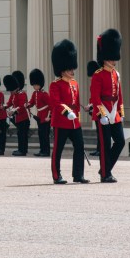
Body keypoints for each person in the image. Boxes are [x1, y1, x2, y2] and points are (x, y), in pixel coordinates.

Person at [49, 39, 89, 184]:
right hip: (61, 121)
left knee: (80, 146)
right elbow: (56, 102)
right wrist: (67, 112)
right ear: (63, 69)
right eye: (70, 69)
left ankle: (78, 175)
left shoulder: (74, 84)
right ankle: (56, 176)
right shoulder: (55, 84)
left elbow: (75, 102)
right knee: (57, 150)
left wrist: (84, 109)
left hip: (74, 122)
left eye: (73, 68)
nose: (73, 71)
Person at [90, 29, 126, 183]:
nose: (113, 61)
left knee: (120, 141)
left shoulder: (116, 74)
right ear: (104, 58)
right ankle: (105, 174)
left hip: (114, 113)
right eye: (111, 58)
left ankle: (105, 168)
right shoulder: (98, 75)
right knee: (104, 145)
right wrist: (102, 114)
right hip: (102, 113)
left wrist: (121, 111)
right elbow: (95, 97)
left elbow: (119, 95)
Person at [27, 68, 51, 157]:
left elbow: (51, 106)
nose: (34, 86)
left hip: (45, 117)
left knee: (45, 135)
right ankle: (42, 150)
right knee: (41, 135)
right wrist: (28, 105)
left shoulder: (44, 94)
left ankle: (46, 151)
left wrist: (49, 116)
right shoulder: (35, 93)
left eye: (35, 84)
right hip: (39, 116)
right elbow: (32, 102)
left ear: (39, 84)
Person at [10, 71, 31, 156]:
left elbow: (22, 106)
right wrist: (5, 107)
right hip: (18, 118)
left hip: (24, 117)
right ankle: (20, 149)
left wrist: (14, 111)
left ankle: (23, 150)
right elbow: (9, 102)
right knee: (20, 134)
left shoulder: (22, 94)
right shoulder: (14, 94)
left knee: (23, 135)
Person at [86, 61, 101, 157]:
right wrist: (90, 106)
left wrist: (90, 106)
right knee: (99, 132)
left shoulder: (97, 82)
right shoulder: (94, 82)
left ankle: (100, 150)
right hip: (96, 109)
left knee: (100, 132)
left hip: (100, 110)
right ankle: (98, 149)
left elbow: (98, 97)